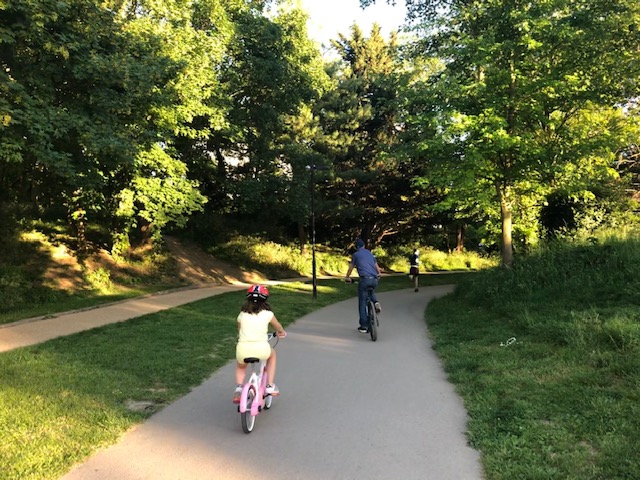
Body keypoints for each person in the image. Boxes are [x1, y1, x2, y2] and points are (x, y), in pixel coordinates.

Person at [233, 284, 286, 404]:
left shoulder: (242, 314)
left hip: (243, 348)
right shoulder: (268, 314)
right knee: (272, 355)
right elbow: (278, 327)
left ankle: (239, 388)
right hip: (261, 348)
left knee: (241, 366)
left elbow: (240, 330)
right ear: (265, 299)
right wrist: (281, 332)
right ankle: (270, 385)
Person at [344, 238, 382, 333]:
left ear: (357, 247)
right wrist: (378, 275)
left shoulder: (356, 255)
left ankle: (364, 326)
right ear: (364, 246)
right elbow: (377, 268)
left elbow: (351, 267)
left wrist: (347, 277)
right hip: (374, 279)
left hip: (364, 279)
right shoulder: (369, 253)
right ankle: (376, 302)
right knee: (371, 290)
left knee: (362, 302)